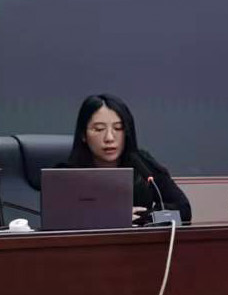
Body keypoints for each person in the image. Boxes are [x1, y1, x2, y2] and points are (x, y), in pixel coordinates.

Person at [62, 93, 192, 225]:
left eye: (118, 128)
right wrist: (111, 217)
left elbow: (184, 211)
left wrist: (146, 218)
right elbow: (59, 218)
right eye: (99, 129)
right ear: (83, 135)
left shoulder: (142, 164)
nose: (109, 138)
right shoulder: (66, 175)